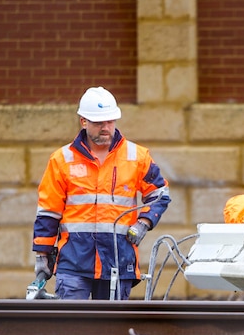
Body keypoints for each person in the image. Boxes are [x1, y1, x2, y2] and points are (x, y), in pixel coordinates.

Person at [32, 87, 171, 299]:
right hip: (74, 261)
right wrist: (42, 255)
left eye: (110, 121)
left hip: (118, 260)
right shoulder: (62, 160)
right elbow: (48, 212)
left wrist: (144, 222)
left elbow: (160, 194)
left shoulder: (137, 157)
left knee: (111, 329)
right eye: (99, 123)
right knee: (72, 325)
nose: (106, 128)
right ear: (83, 121)